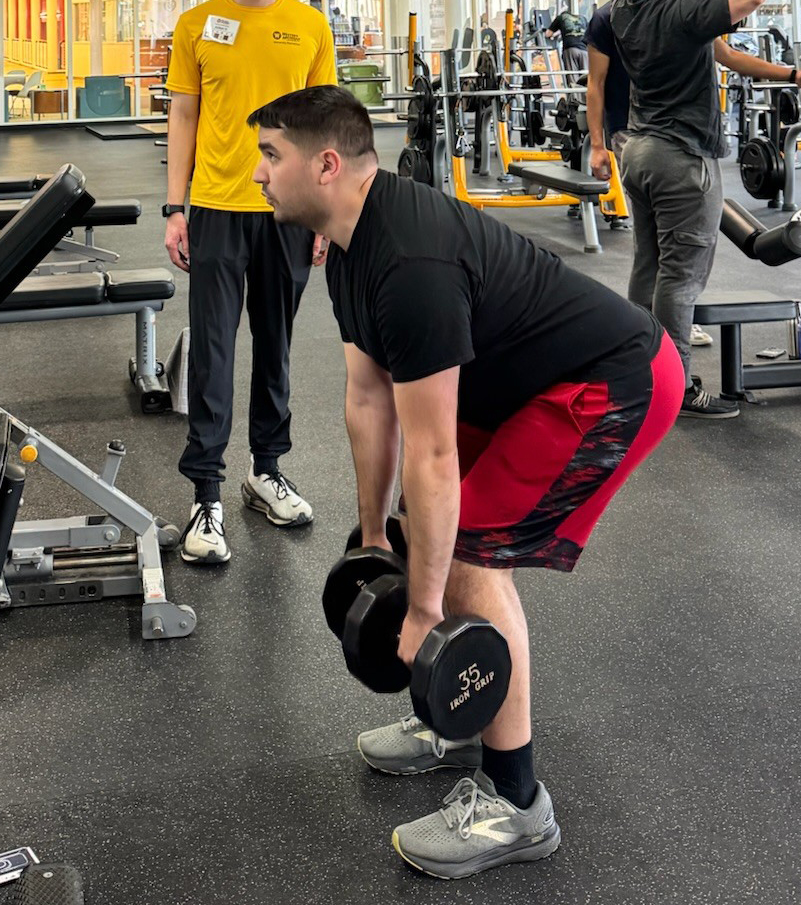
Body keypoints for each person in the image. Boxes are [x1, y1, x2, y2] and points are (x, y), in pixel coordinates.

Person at [247, 85, 683, 879]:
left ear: (326, 163)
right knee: (427, 525)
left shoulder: (408, 262)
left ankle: (517, 804)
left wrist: (421, 607)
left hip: (611, 380)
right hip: (518, 380)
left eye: (270, 156)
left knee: (473, 554)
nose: (257, 174)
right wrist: (377, 535)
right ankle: (458, 719)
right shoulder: (346, 242)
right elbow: (370, 401)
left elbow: (436, 452)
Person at [163, 0, 337, 563]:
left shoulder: (307, 25)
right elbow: (183, 114)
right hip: (214, 205)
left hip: (287, 211)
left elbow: (325, 125)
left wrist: (324, 210)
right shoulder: (198, 25)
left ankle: (265, 469)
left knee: (276, 345)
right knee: (212, 351)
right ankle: (203, 494)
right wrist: (173, 207)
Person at [600, 0, 801, 419]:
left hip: (638, 154)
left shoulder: (622, 6)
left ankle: (642, 370)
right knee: (680, 279)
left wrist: (789, 74)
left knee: (649, 265)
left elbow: (724, 54)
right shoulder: (683, 10)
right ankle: (674, 387)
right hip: (681, 161)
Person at [545, 0, 588, 73]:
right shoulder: (582, 18)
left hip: (571, 49)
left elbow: (548, 34)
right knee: (585, 78)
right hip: (584, 50)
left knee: (573, 78)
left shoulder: (560, 17)